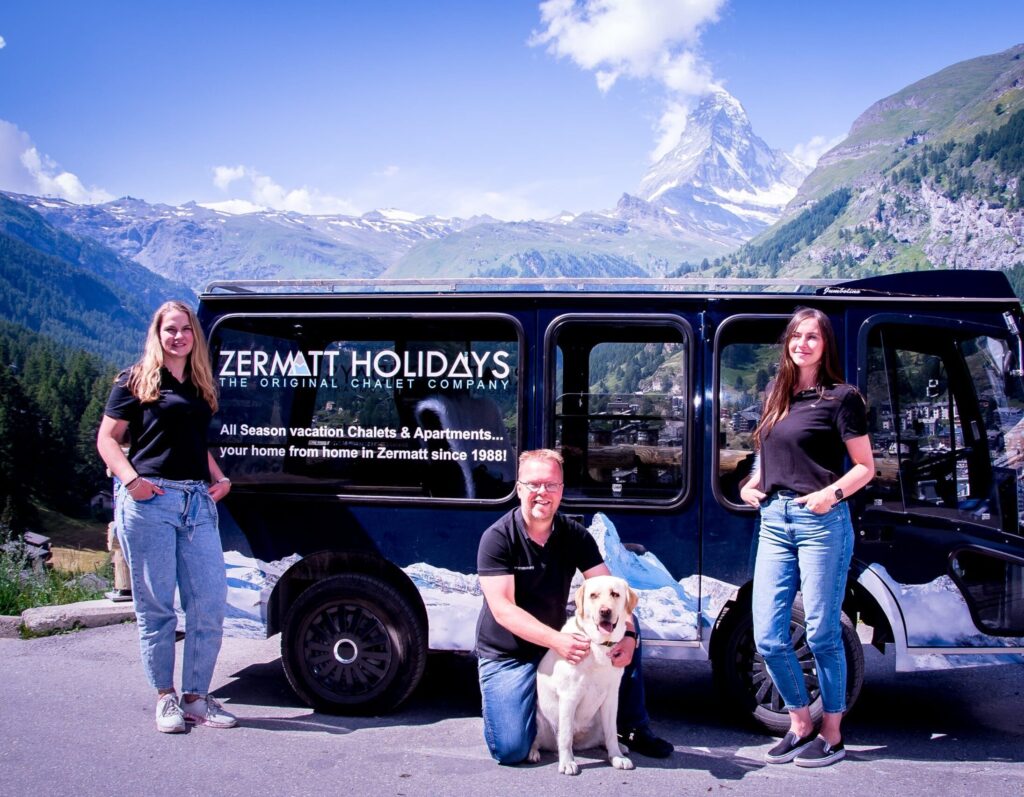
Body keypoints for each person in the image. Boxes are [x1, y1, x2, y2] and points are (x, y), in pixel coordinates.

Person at [475, 448, 672, 765]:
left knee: (624, 630)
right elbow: (503, 610)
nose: (543, 493)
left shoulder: (574, 535)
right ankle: (510, 708)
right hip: (508, 654)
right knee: (511, 749)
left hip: (554, 646)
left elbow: (610, 590)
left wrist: (630, 638)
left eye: (551, 485)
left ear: (561, 491)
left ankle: (633, 726)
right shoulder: (498, 538)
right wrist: (557, 641)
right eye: (534, 484)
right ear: (519, 488)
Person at [739, 308, 873, 768]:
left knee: (820, 633)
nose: (802, 344)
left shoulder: (842, 398)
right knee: (769, 636)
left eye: (812, 337)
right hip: (774, 521)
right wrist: (751, 483)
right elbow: (766, 453)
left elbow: (865, 468)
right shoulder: (777, 394)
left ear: (825, 344)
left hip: (821, 522)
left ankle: (832, 734)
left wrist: (828, 495)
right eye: (796, 336)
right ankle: (800, 723)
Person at [97, 300, 237, 734]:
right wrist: (132, 481)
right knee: (157, 609)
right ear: (157, 335)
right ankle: (166, 698)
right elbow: (107, 439)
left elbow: (194, 440)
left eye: (185, 329)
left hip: (197, 502)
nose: (177, 336)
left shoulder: (199, 382)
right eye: (169, 329)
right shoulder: (135, 380)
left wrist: (219, 477)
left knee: (209, 603)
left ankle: (196, 698)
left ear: (195, 335)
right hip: (150, 502)